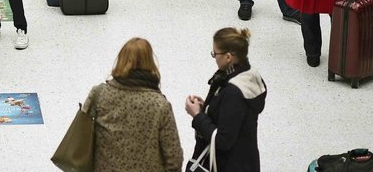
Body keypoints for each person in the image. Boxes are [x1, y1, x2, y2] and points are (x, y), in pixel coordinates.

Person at [81, 38, 183, 171]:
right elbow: (174, 158)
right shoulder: (160, 105)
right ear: (151, 64)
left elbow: (81, 140)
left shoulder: (99, 94)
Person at [184, 28, 266, 171]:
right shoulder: (247, 75)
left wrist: (197, 115)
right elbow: (233, 118)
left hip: (228, 165)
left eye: (215, 53)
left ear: (228, 57)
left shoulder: (233, 93)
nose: (214, 57)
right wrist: (208, 107)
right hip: (245, 160)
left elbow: (223, 141)